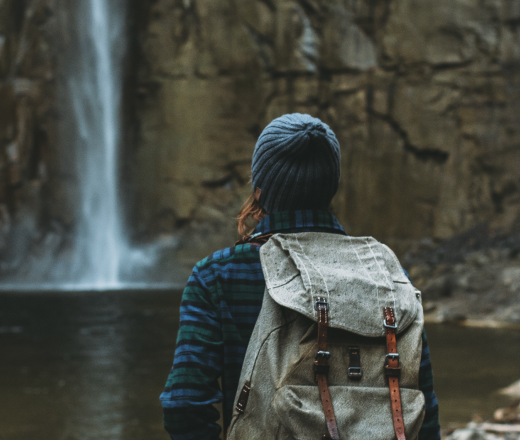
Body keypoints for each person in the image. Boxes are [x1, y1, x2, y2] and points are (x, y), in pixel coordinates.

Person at [159, 113, 441, 440]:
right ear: (332, 185)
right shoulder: (387, 276)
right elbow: (424, 408)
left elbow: (185, 406)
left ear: (259, 188)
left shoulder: (218, 275)